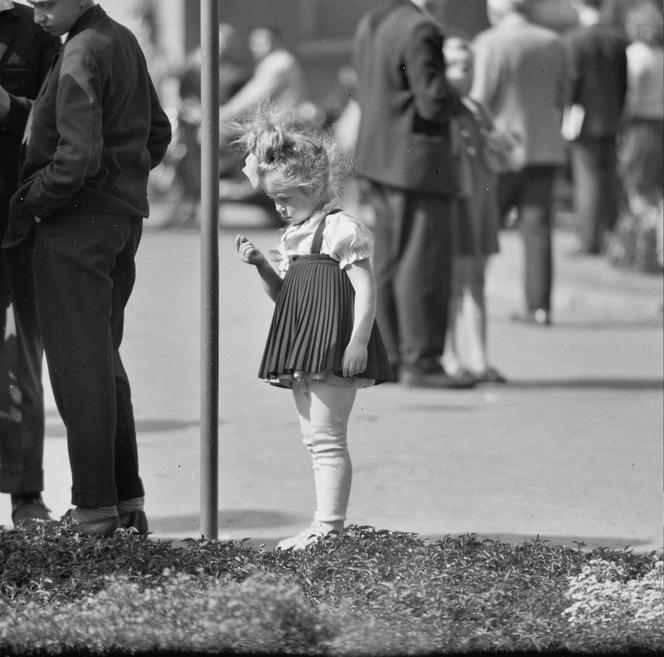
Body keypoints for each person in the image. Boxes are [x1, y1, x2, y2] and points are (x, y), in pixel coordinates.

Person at [0, 0, 171, 536]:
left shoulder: (80, 51)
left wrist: (29, 203)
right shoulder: (117, 37)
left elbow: (75, 158)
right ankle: (124, 503)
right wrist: (120, 184)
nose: (40, 14)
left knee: (79, 372)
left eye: (49, 3)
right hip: (117, 223)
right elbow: (158, 134)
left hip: (73, 228)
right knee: (102, 362)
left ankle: (94, 508)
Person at [234, 112, 392, 550]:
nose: (279, 208)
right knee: (315, 438)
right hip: (306, 344)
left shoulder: (340, 229)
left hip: (334, 345)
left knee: (327, 437)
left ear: (313, 189)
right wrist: (263, 266)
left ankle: (329, 528)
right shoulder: (294, 236)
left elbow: (365, 288)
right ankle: (325, 525)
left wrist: (359, 339)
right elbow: (286, 296)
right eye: (274, 200)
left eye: (285, 198)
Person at [353, 0, 476, 388]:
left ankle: (390, 355)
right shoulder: (420, 28)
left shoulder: (373, 21)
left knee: (390, 259)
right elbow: (433, 98)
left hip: (378, 157)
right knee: (423, 261)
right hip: (417, 162)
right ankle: (422, 361)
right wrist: (464, 101)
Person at [0, 0, 60, 527]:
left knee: (20, 360)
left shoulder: (31, 29)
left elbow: (58, 111)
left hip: (15, 221)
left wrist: (8, 107)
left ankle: (26, 495)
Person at [471, 0, 567, 326]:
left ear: (496, 9)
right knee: (537, 230)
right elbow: (562, 93)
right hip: (545, 144)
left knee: (486, 225)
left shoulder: (489, 42)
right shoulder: (553, 41)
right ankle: (539, 307)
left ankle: (473, 299)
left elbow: (480, 97)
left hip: (502, 149)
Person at [440, 34, 505, 385]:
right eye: (456, 67)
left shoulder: (477, 108)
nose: (464, 74)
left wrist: (502, 147)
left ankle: (479, 357)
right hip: (459, 203)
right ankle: (451, 355)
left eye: (469, 67)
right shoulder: (443, 112)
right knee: (455, 282)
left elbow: (496, 151)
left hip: (482, 202)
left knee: (477, 280)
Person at [564, 0, 628, 255]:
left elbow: (571, 84)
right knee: (609, 180)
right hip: (612, 119)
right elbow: (624, 85)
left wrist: (566, 114)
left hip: (582, 120)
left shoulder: (573, 40)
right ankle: (613, 237)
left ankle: (589, 241)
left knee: (587, 181)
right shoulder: (619, 40)